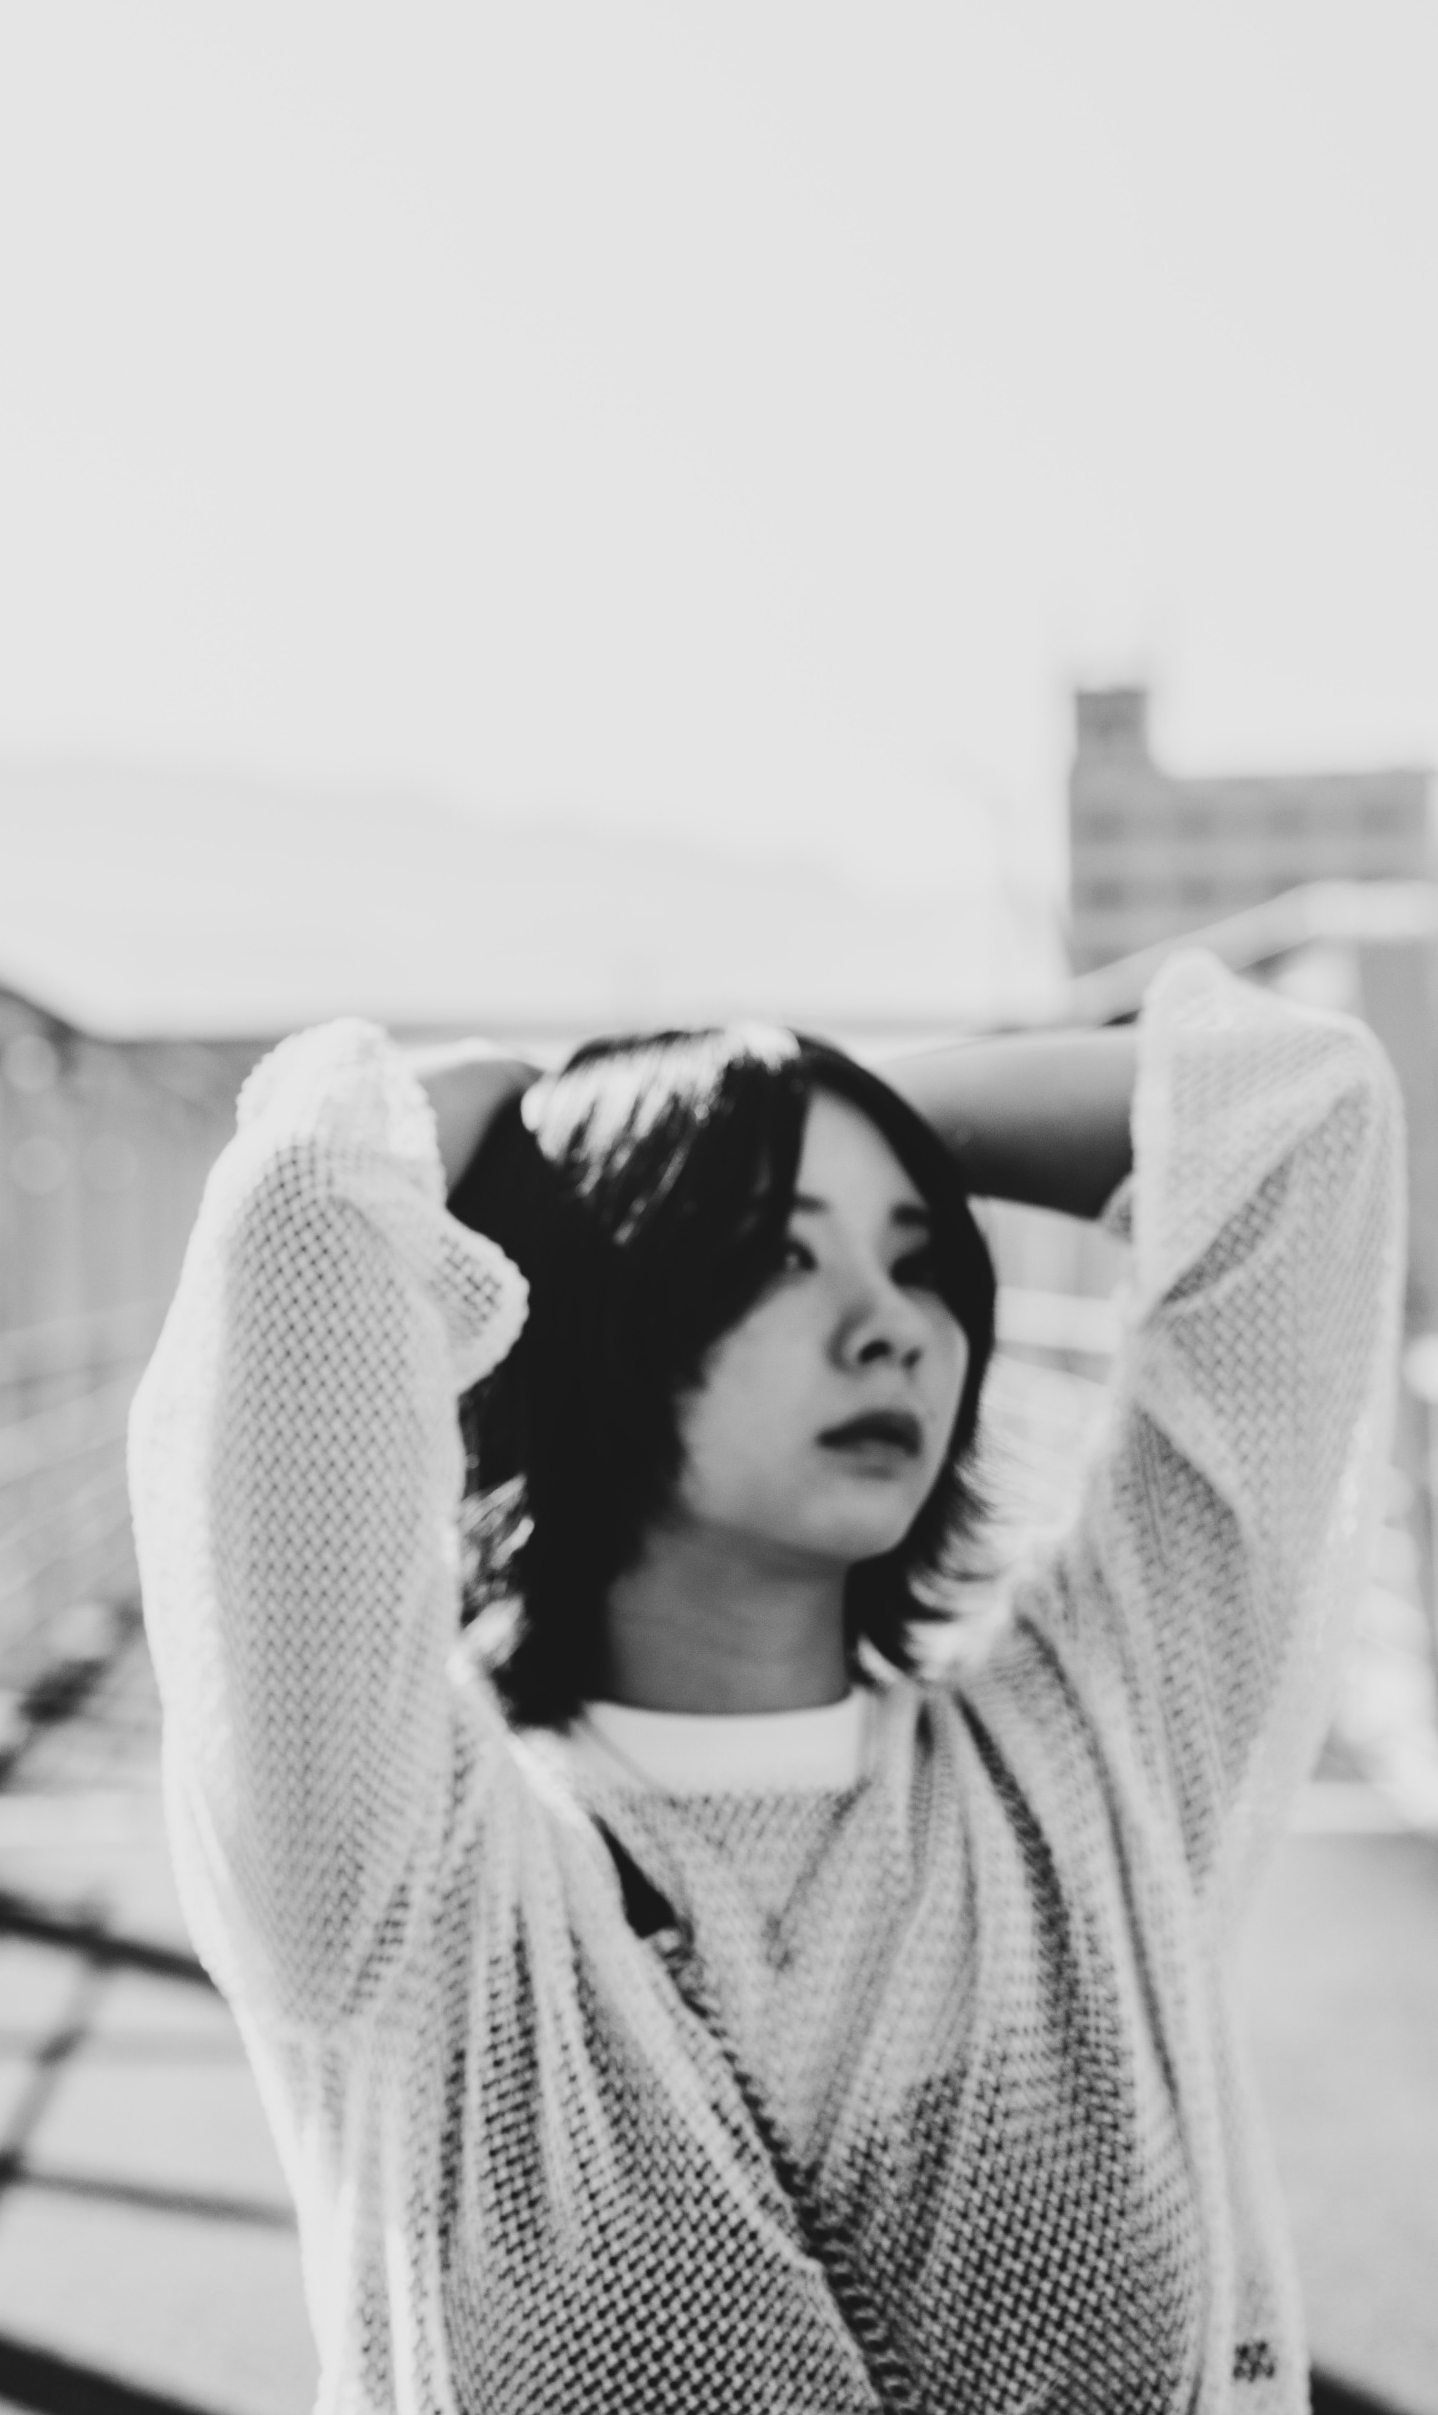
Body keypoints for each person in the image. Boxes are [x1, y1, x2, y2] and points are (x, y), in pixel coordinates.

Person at [129, 950, 1404, 2414]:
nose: (892, 1324)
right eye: (777, 1256)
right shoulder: (393, 1875)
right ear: (593, 1306)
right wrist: (611, 1139)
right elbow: (304, 1206)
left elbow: (1305, 1116)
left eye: (920, 1259)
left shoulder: (1097, 1752)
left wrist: (810, 1104)